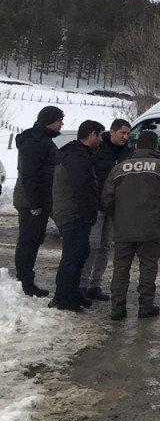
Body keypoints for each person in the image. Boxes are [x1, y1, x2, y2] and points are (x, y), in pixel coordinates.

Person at [103, 131, 160, 319]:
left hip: (124, 228)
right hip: (151, 228)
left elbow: (107, 198)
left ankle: (117, 309)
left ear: (137, 146)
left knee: (121, 268)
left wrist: (116, 217)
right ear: (156, 147)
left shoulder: (119, 168)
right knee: (148, 267)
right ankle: (145, 307)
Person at [49, 120, 104, 312]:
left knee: (81, 253)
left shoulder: (77, 154)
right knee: (72, 256)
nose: (101, 140)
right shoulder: (76, 156)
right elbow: (81, 187)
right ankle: (62, 297)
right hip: (73, 213)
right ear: (92, 135)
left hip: (72, 211)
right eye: (100, 135)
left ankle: (72, 292)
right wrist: (90, 212)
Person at [12, 105, 64, 297]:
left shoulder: (44, 140)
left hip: (37, 199)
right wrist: (35, 203)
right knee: (28, 241)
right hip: (30, 200)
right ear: (49, 121)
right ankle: (24, 282)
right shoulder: (35, 142)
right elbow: (30, 174)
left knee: (34, 240)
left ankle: (26, 280)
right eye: (59, 120)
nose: (62, 124)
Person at [81, 118, 132, 302]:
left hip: (114, 206)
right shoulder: (98, 148)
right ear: (112, 131)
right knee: (92, 245)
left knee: (105, 246)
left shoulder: (128, 152)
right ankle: (82, 285)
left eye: (128, 134)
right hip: (96, 205)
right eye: (122, 133)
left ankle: (95, 284)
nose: (125, 137)